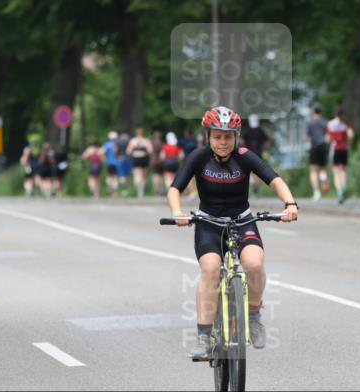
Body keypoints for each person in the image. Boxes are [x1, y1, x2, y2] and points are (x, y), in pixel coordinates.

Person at [167, 106, 299, 360]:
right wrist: (178, 212)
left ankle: (254, 316)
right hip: (208, 223)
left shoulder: (245, 156)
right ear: (208, 136)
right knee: (211, 269)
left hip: (242, 221)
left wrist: (290, 204)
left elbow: (275, 180)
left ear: (236, 136)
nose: (223, 142)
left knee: (254, 263)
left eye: (228, 136)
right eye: (217, 136)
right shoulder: (198, 157)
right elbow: (175, 189)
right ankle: (204, 336)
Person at [326, 107, 353, 203]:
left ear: (335, 114)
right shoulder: (346, 123)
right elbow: (350, 135)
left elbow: (328, 139)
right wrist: (348, 143)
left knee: (336, 172)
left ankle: (340, 192)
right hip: (344, 148)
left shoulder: (331, 124)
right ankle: (344, 188)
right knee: (343, 171)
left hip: (335, 149)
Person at [306, 104, 330, 200]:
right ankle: (324, 181)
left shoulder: (310, 123)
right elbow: (329, 136)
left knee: (313, 171)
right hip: (323, 147)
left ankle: (316, 192)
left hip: (314, 147)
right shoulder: (326, 122)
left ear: (313, 112)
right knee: (322, 168)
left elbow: (307, 136)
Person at [126, 127, 154, 198]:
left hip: (136, 158)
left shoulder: (133, 141)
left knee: (136, 174)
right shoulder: (146, 141)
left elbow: (128, 152)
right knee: (143, 175)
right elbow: (150, 151)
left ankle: (138, 188)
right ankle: (142, 191)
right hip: (143, 158)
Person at [102, 131, 120, 197]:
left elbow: (101, 152)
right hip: (117, 163)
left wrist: (104, 159)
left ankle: (111, 190)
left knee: (110, 176)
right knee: (115, 177)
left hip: (109, 163)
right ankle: (114, 192)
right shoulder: (118, 144)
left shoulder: (107, 144)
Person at [150, 131, 165, 197]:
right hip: (161, 161)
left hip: (154, 161)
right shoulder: (162, 143)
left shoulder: (151, 143)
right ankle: (161, 191)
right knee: (161, 176)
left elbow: (150, 152)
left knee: (155, 176)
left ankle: (156, 191)